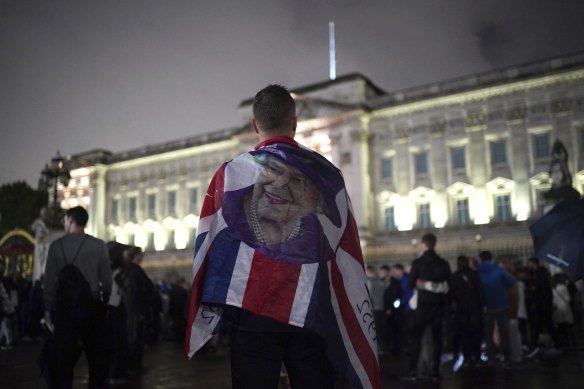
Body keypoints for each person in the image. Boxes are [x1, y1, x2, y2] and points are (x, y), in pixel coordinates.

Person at [184, 84, 379, 388]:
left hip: (250, 310)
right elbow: (346, 249)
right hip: (312, 310)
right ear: (295, 122)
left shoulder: (231, 172)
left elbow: (210, 243)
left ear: (254, 126)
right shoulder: (328, 174)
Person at [43, 206, 112, 388]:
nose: (64, 223)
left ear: (71, 220)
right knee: (95, 360)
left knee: (64, 361)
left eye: (65, 220)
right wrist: (103, 302)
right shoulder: (99, 246)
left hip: (64, 310)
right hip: (91, 307)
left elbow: (49, 282)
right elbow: (106, 280)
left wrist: (49, 309)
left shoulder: (56, 247)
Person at [406, 233, 451, 382]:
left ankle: (413, 370)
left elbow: (410, 284)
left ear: (424, 245)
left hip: (422, 305)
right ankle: (435, 371)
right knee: (437, 339)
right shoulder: (443, 263)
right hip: (438, 305)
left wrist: (422, 284)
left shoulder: (418, 263)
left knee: (416, 339)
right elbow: (449, 284)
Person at [477, 250, 514, 367]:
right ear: (491, 258)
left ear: (480, 259)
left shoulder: (477, 272)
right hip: (501, 305)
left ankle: (491, 357)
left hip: (486, 307)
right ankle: (506, 356)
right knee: (504, 332)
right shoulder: (499, 270)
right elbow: (510, 282)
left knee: (488, 334)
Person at [449, 255, 485, 366]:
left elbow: (451, 293)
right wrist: (483, 304)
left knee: (465, 333)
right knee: (476, 332)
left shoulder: (454, 276)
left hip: (461, 308)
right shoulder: (474, 274)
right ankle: (478, 356)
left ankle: (467, 357)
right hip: (475, 307)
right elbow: (480, 290)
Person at [526, 257, 558, 354]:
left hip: (543, 305)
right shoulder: (537, 273)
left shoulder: (541, 273)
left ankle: (534, 345)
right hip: (541, 305)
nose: (528, 265)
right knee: (542, 326)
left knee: (546, 325)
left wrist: (534, 288)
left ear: (533, 263)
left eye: (529, 263)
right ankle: (534, 345)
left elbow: (541, 287)